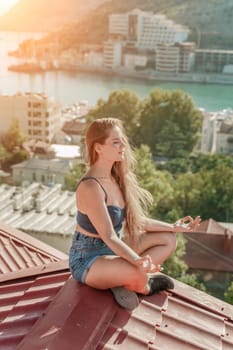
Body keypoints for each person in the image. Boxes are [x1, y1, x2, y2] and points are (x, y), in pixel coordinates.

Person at [69, 117, 201, 310]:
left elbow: (137, 221)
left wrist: (173, 227)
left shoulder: (116, 178)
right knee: (138, 272)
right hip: (88, 259)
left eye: (122, 140)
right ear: (98, 148)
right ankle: (143, 285)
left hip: (114, 249)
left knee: (169, 239)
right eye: (115, 142)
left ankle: (121, 279)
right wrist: (137, 261)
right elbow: (109, 236)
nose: (123, 145)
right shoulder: (90, 186)